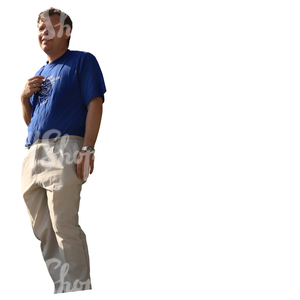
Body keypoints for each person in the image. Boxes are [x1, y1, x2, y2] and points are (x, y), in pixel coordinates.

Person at [21, 7, 106, 293]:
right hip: (34, 152)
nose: (44, 33)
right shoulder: (39, 74)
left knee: (63, 223)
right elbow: (33, 122)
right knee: (43, 230)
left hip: (65, 148)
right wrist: (24, 100)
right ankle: (64, 289)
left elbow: (95, 102)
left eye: (51, 28)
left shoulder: (82, 61)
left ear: (66, 32)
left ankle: (79, 290)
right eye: (40, 29)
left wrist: (88, 148)